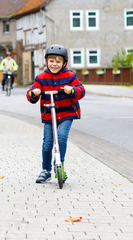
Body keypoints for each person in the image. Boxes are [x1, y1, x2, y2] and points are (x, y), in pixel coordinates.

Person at [26, 44, 85, 184]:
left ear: (64, 63)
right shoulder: (41, 77)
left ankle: (59, 165)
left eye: (58, 61)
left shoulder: (70, 76)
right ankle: (46, 170)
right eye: (51, 61)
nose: (54, 64)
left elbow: (81, 90)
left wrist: (72, 90)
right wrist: (34, 94)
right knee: (47, 143)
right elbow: (30, 94)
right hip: (49, 115)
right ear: (47, 61)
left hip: (67, 113)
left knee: (62, 137)